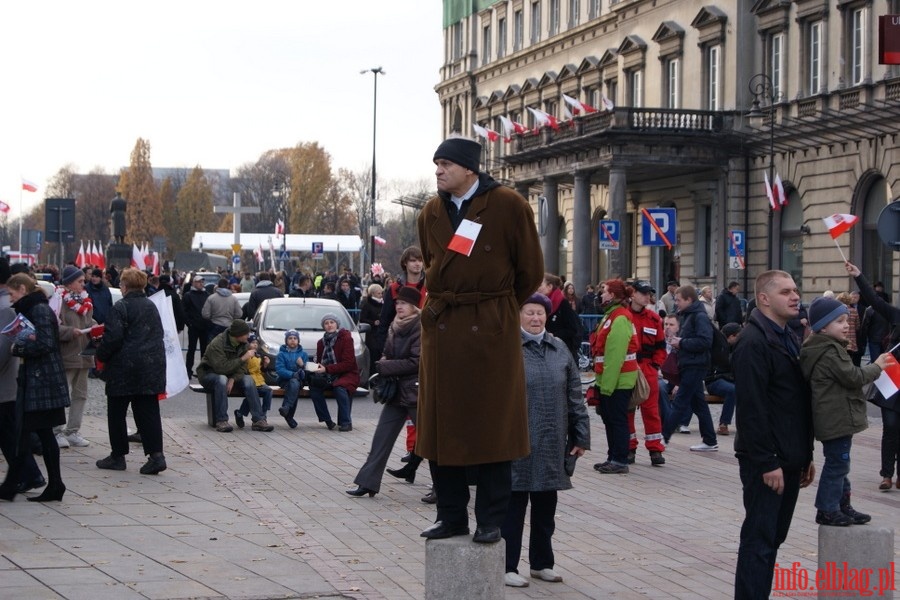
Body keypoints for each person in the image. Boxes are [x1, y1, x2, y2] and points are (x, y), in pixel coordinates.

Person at [416, 135, 543, 544]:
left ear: (469, 168)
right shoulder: (431, 212)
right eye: (436, 164)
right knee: (441, 426)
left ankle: (490, 520)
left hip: (490, 328)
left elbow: (531, 272)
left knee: (493, 427)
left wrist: (497, 310)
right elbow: (434, 266)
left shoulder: (507, 205)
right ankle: (451, 516)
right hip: (444, 326)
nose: (438, 171)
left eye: (445, 164)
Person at [733, 270, 816, 600]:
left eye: (795, 289)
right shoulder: (753, 342)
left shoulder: (787, 335)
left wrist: (805, 454)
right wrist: (768, 461)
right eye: (786, 291)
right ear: (764, 299)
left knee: (771, 539)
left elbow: (793, 403)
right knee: (759, 541)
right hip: (766, 462)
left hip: (789, 458)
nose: (795, 296)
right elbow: (753, 410)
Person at [502, 293, 590, 588]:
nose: (536, 318)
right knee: (513, 507)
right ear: (518, 316)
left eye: (540, 313)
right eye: (529, 313)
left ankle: (542, 563)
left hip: (553, 440)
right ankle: (507, 565)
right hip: (517, 440)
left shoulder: (559, 347)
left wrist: (580, 436)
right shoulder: (508, 348)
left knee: (545, 507)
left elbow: (575, 395)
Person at [800, 296, 888, 526]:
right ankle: (827, 509)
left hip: (836, 417)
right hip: (835, 418)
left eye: (846, 320)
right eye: (840, 321)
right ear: (823, 327)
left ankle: (841, 505)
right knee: (837, 464)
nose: (847, 325)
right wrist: (877, 366)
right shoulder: (829, 352)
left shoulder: (825, 347)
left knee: (840, 463)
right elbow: (853, 377)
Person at [347, 286, 424, 497]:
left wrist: (384, 366)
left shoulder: (421, 327)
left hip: (416, 392)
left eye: (404, 303)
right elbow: (387, 354)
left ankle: (443, 488)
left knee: (429, 443)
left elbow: (417, 362)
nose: (399, 306)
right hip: (395, 391)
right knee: (381, 438)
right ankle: (367, 482)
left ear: (415, 307)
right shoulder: (395, 325)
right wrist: (383, 362)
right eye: (398, 303)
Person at [0, 273, 70, 502]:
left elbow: (46, 343)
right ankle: (33, 484)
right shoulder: (33, 308)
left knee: (37, 434)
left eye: (12, 293)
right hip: (36, 381)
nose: (10, 299)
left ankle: (51, 485)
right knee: (28, 435)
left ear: (22, 289)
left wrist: (16, 349)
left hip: (43, 383)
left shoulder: (38, 309)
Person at [94, 268, 168, 474]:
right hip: (151, 367)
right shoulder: (150, 306)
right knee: (148, 412)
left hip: (124, 368)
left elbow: (113, 338)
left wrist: (100, 353)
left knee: (116, 412)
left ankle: (118, 456)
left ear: (125, 286)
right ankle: (156, 456)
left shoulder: (121, 307)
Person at [845, 261, 900, 491]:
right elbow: (875, 302)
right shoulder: (896, 314)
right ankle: (887, 474)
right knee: (890, 425)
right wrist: (859, 275)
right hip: (893, 377)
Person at [376, 246, 428, 464]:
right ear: (405, 263)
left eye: (420, 261)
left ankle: (422, 465)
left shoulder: (431, 287)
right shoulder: (395, 288)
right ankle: (411, 456)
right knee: (393, 424)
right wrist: (384, 357)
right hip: (400, 358)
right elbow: (386, 320)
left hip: (422, 354)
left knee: (423, 423)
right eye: (413, 260)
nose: (417, 264)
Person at [0, 259, 45, 494]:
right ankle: (29, 475)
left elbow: (5, 345)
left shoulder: (5, 307)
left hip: (5, 382)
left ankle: (28, 476)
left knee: (11, 434)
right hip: (7, 382)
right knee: (9, 434)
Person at [590, 279, 639, 474]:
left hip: (618, 381)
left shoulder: (619, 318)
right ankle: (613, 456)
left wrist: (607, 387)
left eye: (604, 291)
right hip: (610, 379)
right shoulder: (612, 315)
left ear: (612, 295)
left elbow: (615, 355)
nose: (601, 294)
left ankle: (620, 460)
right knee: (610, 419)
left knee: (617, 420)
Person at [662, 285, 718, 452]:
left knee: (680, 401)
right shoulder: (687, 315)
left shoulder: (699, 316)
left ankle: (663, 438)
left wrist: (682, 343)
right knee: (698, 403)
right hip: (689, 362)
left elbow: (705, 341)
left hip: (696, 364)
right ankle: (710, 440)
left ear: (689, 300)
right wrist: (679, 342)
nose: (676, 303)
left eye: (679, 300)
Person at [197, 319, 273, 433]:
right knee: (222, 379)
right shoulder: (217, 344)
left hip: (230, 375)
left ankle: (258, 420)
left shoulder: (244, 344)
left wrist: (233, 378)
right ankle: (221, 421)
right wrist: (243, 358)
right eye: (246, 334)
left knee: (248, 380)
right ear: (238, 334)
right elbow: (220, 368)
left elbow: (243, 367)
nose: (248, 336)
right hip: (210, 374)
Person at [54, 265, 97, 449]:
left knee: (80, 394)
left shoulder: (86, 300)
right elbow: (54, 327)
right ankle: (56, 431)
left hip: (85, 353)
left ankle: (73, 431)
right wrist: (70, 331)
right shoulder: (58, 300)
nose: (83, 284)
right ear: (69, 282)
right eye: (79, 281)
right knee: (61, 395)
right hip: (67, 354)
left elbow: (89, 321)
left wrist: (95, 327)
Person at [626, 280, 666, 466]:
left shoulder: (654, 318)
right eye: (643, 293)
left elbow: (661, 347)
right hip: (628, 367)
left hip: (647, 368)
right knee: (628, 410)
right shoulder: (623, 317)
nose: (647, 297)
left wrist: (655, 365)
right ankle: (629, 448)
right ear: (633, 294)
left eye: (649, 293)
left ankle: (655, 450)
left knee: (651, 411)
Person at [308, 313, 360, 431]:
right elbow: (321, 362)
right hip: (329, 375)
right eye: (326, 323)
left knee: (340, 387)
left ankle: (345, 422)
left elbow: (349, 363)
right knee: (314, 387)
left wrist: (327, 369)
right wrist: (315, 367)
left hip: (348, 374)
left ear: (337, 324)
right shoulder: (321, 342)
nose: (329, 325)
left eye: (332, 322)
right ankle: (327, 420)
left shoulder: (346, 338)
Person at [234, 333, 274, 430]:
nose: (255, 345)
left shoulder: (259, 355)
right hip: (249, 380)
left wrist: (265, 365)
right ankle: (257, 419)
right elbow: (243, 369)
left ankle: (262, 416)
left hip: (259, 380)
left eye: (256, 343)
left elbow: (260, 371)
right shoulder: (245, 354)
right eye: (252, 342)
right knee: (253, 392)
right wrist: (247, 357)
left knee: (268, 391)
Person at [538, 273, 581, 360]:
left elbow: (573, 329)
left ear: (549, 286)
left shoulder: (562, 304)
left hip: (562, 352)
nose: (537, 287)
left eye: (540, 284)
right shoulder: (540, 304)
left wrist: (553, 335)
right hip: (545, 350)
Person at [275, 329, 308, 429]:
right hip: (284, 380)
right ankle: (288, 414)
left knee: (295, 384)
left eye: (295, 338)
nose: (292, 340)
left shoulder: (303, 354)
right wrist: (292, 374)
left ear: (298, 341)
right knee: (294, 385)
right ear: (286, 341)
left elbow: (307, 371)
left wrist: (302, 365)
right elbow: (280, 369)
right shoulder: (281, 354)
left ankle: (286, 409)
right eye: (290, 338)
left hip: (298, 380)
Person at [711, 323, 741, 436]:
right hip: (714, 380)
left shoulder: (734, 347)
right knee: (732, 390)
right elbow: (725, 366)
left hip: (727, 379)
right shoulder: (719, 347)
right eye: (738, 336)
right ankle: (724, 423)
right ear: (731, 337)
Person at [183, 274, 210, 378]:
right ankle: (188, 371)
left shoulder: (206, 295)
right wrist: (189, 323)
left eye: (202, 282)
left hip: (205, 326)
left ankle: (202, 371)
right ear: (194, 283)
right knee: (191, 349)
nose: (201, 283)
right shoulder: (188, 295)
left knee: (205, 350)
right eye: (199, 282)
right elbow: (184, 310)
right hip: (194, 327)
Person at [359, 283, 384, 377]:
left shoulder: (383, 303)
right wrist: (373, 322)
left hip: (382, 334)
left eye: (381, 293)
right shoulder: (367, 304)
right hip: (372, 334)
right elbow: (362, 319)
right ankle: (373, 375)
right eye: (378, 293)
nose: (381, 295)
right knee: (373, 355)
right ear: (372, 294)